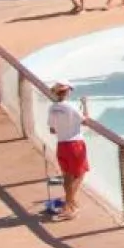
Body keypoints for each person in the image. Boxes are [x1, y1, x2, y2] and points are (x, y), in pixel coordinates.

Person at [47, 83, 89, 220]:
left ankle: (70, 204)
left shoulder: (52, 108)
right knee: (80, 174)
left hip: (62, 145)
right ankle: (68, 206)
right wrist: (85, 104)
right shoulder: (71, 106)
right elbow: (85, 121)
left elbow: (52, 130)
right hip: (75, 144)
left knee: (67, 176)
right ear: (67, 92)